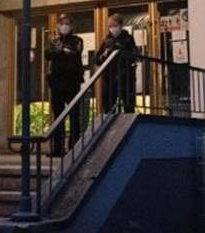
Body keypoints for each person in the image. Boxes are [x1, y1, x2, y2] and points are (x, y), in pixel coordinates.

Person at [44, 14, 85, 155]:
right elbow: (48, 54)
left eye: (67, 24)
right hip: (57, 83)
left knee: (74, 116)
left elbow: (75, 53)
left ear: (72, 26)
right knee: (58, 117)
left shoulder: (77, 40)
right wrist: (61, 52)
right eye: (62, 24)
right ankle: (58, 148)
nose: (64, 26)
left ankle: (74, 148)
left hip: (72, 82)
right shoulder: (54, 41)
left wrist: (60, 53)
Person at [95, 13, 138, 113]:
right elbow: (97, 59)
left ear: (120, 25)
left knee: (128, 106)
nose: (113, 28)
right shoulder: (106, 40)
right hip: (109, 78)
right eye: (110, 26)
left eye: (115, 26)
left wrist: (120, 50)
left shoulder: (128, 38)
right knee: (109, 107)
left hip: (125, 78)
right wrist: (104, 55)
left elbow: (134, 55)